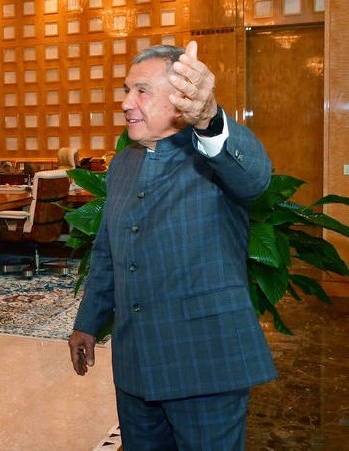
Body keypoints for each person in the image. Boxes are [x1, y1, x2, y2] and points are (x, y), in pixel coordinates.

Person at [68, 42, 278, 449]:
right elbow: (108, 253)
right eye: (126, 90)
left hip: (204, 365)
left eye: (142, 91)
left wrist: (211, 119)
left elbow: (255, 178)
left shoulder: (213, 156)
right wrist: (87, 323)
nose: (126, 102)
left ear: (182, 100)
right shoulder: (124, 163)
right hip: (136, 367)